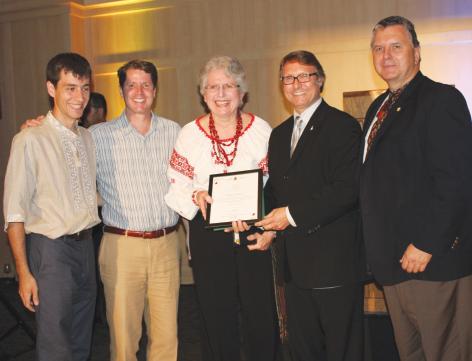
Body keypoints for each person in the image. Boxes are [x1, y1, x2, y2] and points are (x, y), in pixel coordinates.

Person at [360, 16, 472, 361]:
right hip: (393, 265)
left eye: (396, 46)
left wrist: (426, 243)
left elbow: (457, 180)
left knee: (446, 353)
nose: (386, 55)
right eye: (379, 48)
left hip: (431, 262)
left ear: (417, 52)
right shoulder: (378, 109)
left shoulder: (441, 99)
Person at [165, 55, 278, 361]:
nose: (221, 94)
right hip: (208, 233)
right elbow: (176, 184)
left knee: (260, 313)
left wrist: (267, 227)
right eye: (213, 87)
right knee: (215, 315)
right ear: (203, 95)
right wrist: (196, 195)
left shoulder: (261, 131)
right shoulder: (189, 134)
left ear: (242, 93)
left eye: (229, 86)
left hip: (253, 232)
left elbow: (275, 184)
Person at [254, 50, 365, 361]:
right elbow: (277, 190)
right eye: (288, 78)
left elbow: (347, 190)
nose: (296, 83)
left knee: (342, 349)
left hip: (334, 264)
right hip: (294, 267)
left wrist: (289, 216)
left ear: (320, 80)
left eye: (304, 75)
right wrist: (269, 230)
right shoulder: (278, 135)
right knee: (303, 349)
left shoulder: (342, 126)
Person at [3, 52, 99, 361]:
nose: (79, 96)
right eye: (70, 87)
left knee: (83, 338)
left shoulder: (87, 138)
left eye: (84, 88)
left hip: (86, 248)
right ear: (50, 89)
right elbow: (14, 213)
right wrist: (23, 272)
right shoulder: (29, 139)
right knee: (55, 343)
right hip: (51, 253)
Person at [91, 60, 181, 361]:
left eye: (145, 85)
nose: (139, 91)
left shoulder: (175, 132)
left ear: (155, 90)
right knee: (123, 340)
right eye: (131, 85)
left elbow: (188, 185)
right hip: (121, 247)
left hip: (167, 245)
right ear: (121, 90)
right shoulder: (97, 137)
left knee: (167, 340)